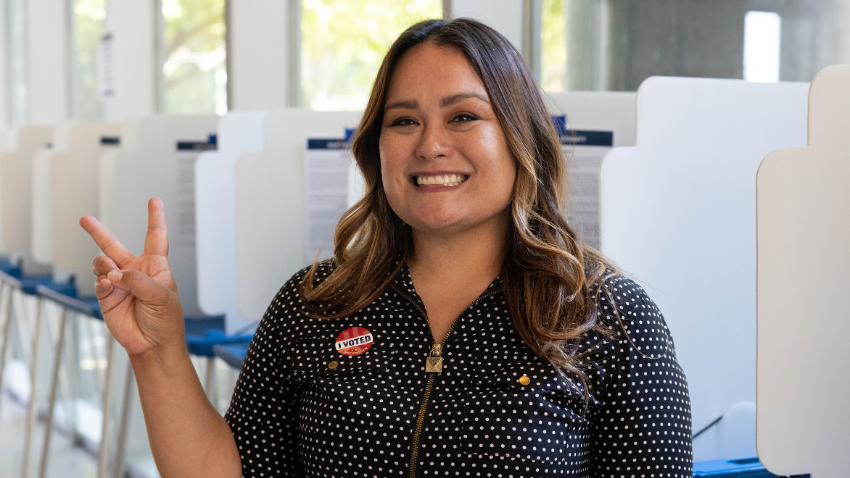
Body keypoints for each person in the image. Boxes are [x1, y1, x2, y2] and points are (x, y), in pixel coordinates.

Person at [80, 18, 691, 478]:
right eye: (404, 121)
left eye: (463, 117)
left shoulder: (608, 319)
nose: (430, 145)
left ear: (519, 138)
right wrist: (157, 352)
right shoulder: (313, 304)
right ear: (377, 149)